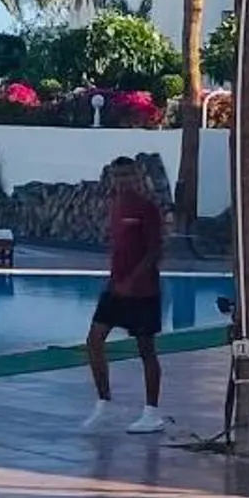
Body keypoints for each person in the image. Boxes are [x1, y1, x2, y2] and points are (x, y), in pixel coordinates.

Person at [82, 156, 167, 434]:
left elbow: (155, 250)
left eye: (128, 175)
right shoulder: (116, 206)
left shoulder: (147, 208)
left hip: (143, 291)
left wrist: (133, 280)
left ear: (137, 176)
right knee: (94, 340)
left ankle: (152, 412)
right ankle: (104, 403)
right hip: (115, 289)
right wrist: (116, 281)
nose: (123, 181)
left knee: (146, 350)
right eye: (118, 176)